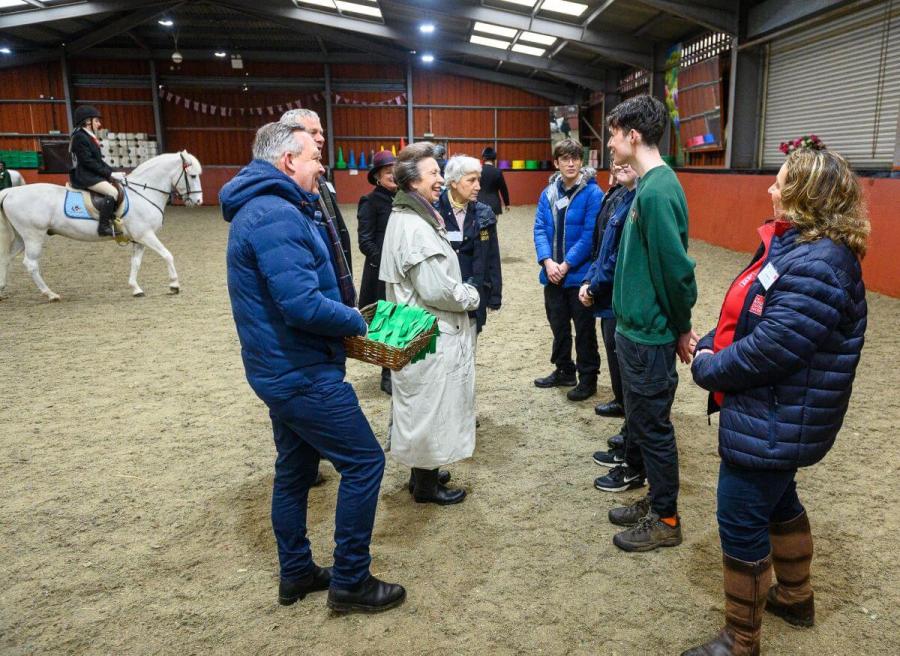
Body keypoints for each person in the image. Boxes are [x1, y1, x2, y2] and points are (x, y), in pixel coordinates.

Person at [682, 148, 868, 656]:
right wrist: (714, 346)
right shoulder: (805, 249)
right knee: (780, 502)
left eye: (780, 182)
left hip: (775, 415)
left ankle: (742, 640)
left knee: (740, 517)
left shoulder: (819, 262)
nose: (770, 189)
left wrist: (707, 365)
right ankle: (796, 596)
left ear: (808, 195)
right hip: (780, 413)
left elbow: (771, 348)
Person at [221, 122, 404, 614]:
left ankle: (297, 571)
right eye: (313, 157)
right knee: (364, 463)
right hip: (301, 373)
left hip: (278, 368)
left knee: (294, 470)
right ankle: (351, 580)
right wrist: (354, 320)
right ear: (287, 162)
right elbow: (301, 305)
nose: (321, 165)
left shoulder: (262, 210)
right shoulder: (276, 217)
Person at [603, 94, 698, 552]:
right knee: (641, 424)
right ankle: (655, 500)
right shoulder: (646, 186)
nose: (609, 143)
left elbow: (676, 270)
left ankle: (666, 518)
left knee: (653, 427)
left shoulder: (659, 190)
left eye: (613, 134)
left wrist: (681, 326)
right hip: (634, 332)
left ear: (632, 135)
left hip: (649, 337)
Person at [379, 142, 480, 505]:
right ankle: (425, 486)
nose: (441, 179)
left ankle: (424, 472)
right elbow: (436, 289)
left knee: (418, 398)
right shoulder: (414, 225)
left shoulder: (409, 215)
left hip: (407, 321)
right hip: (426, 325)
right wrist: (471, 295)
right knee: (429, 402)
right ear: (413, 181)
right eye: (434, 173)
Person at [578, 163, 638, 488]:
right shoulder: (616, 194)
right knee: (617, 364)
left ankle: (633, 444)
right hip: (605, 291)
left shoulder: (636, 198)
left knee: (626, 370)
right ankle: (628, 431)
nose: (617, 165)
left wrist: (595, 283)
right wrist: (592, 278)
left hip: (616, 294)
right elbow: (601, 246)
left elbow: (616, 255)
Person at [533, 138, 602, 402]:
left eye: (575, 158)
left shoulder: (593, 194)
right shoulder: (548, 193)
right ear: (557, 163)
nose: (570, 163)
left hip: (578, 276)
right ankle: (564, 370)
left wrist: (565, 264)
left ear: (581, 161)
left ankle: (588, 378)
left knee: (584, 330)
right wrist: (547, 261)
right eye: (565, 158)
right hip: (552, 275)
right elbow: (539, 228)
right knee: (558, 325)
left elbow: (589, 235)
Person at [436, 154, 502, 334]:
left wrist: (495, 294)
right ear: (454, 182)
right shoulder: (434, 212)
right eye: (471, 180)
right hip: (443, 297)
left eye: (478, 180)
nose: (478, 187)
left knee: (470, 350)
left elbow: (492, 256)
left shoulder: (485, 213)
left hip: (474, 294)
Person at [280, 109, 352, 273]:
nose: (321, 138)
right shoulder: (282, 191)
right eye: (313, 132)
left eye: (321, 132)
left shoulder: (319, 179)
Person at [357, 149, 398, 395]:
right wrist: (385, 263)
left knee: (401, 318)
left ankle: (400, 367)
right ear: (377, 177)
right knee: (385, 322)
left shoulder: (404, 199)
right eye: (387, 172)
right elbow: (365, 241)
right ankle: (386, 374)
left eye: (395, 171)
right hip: (381, 273)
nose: (392, 175)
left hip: (401, 271)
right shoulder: (370, 201)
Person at [69, 105, 120, 237]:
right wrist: (109, 174)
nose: (99, 124)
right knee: (112, 192)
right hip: (86, 176)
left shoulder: (88, 136)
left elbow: (98, 161)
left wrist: (113, 172)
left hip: (92, 173)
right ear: (87, 122)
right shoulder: (80, 137)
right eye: (96, 121)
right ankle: (103, 227)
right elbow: (88, 162)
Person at [477, 147, 510, 216]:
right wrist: (507, 203)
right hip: (494, 204)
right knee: (493, 226)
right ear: (494, 159)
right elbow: (503, 189)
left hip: (479, 203)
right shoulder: (498, 172)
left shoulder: (478, 171)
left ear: (483, 158)